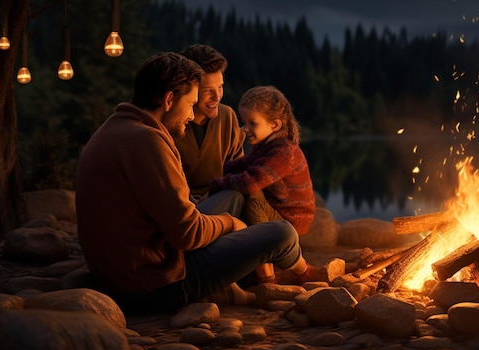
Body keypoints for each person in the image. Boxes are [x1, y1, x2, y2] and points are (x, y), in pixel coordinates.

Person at [75, 52, 314, 313]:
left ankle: (232, 284)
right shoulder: (147, 141)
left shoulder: (118, 127)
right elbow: (187, 234)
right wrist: (229, 223)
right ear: (169, 100)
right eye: (190, 104)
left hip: (140, 262)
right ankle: (302, 274)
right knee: (282, 233)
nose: (191, 114)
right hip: (152, 285)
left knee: (232, 196)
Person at [209, 86, 317, 284]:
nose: (245, 129)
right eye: (244, 122)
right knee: (242, 194)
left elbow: (251, 182)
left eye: (252, 123)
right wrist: (219, 170)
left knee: (251, 197)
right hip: (275, 211)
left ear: (274, 125)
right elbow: (242, 164)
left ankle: (267, 277)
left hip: (290, 219)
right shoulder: (265, 147)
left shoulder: (284, 152)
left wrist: (218, 184)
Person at [176, 44, 246, 215]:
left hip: (221, 203)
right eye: (208, 90)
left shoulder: (227, 117)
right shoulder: (172, 122)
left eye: (220, 87)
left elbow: (239, 173)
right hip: (180, 210)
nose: (217, 97)